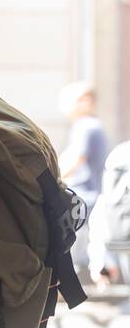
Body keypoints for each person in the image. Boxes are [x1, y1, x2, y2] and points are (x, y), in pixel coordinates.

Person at [58, 81, 107, 280]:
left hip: (83, 195)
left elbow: (77, 158)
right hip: (88, 194)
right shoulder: (91, 126)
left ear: (86, 102)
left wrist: (55, 177)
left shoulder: (86, 126)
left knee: (74, 244)